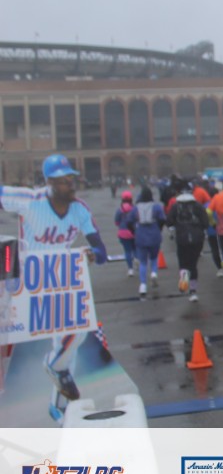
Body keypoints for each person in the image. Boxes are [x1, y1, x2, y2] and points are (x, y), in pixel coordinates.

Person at [0, 153, 109, 423]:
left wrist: (92, 253)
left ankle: (57, 403)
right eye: (62, 180)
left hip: (60, 282)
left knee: (76, 334)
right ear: (48, 182)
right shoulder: (30, 200)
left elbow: (101, 251)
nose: (70, 184)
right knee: (9, 344)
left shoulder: (80, 210)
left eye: (71, 178)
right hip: (27, 283)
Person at [166, 184, 211, 302]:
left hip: (182, 238)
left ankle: (184, 273)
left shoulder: (175, 206)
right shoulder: (198, 206)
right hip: (197, 238)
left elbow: (169, 221)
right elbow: (206, 222)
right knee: (193, 264)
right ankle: (193, 291)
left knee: (183, 261)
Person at [126, 186, 166, 299]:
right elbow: (163, 219)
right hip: (154, 235)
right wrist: (159, 228)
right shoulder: (156, 207)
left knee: (143, 262)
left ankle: (143, 285)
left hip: (141, 236)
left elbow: (128, 221)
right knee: (154, 258)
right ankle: (154, 273)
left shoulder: (136, 208)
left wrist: (134, 230)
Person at [113, 190, 136, 277]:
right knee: (135, 249)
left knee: (127, 251)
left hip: (123, 233)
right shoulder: (134, 209)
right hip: (134, 232)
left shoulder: (119, 210)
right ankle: (137, 259)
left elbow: (116, 222)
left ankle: (130, 269)